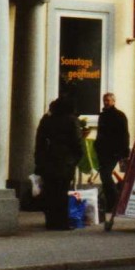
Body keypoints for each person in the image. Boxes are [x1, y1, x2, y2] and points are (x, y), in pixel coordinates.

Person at [34, 97, 85, 230]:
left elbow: (40, 141)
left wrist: (39, 160)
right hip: (66, 161)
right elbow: (77, 142)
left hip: (48, 160)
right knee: (62, 193)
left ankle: (50, 221)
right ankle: (61, 222)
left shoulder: (46, 120)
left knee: (50, 192)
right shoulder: (72, 120)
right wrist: (75, 159)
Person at [94, 92, 130, 215]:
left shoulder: (119, 116)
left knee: (105, 175)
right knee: (105, 176)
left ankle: (115, 202)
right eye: (105, 100)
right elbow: (100, 133)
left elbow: (125, 134)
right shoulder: (102, 116)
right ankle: (111, 204)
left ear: (114, 101)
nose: (106, 102)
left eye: (108, 100)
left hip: (114, 151)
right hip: (103, 151)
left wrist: (124, 152)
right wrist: (97, 146)